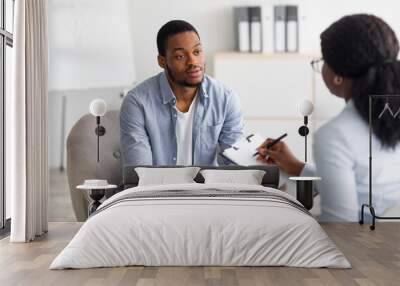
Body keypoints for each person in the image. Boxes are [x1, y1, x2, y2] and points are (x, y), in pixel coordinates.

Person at [256, 14, 400, 221]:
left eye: (323, 61)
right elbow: (366, 187)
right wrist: (297, 166)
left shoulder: (336, 135)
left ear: (337, 76)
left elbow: (341, 228)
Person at [120, 20, 244, 167]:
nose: (193, 62)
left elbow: (235, 166)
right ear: (162, 61)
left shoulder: (226, 99)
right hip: (155, 189)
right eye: (180, 56)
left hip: (207, 189)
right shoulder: (137, 102)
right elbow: (139, 173)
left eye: (197, 52)